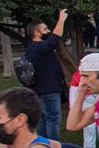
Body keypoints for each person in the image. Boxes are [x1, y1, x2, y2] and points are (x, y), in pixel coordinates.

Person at [22, 9, 69, 138]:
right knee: (52, 119)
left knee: (43, 120)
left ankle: (43, 146)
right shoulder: (38, 47)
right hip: (48, 90)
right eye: (45, 29)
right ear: (37, 33)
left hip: (40, 90)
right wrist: (61, 20)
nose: (48, 31)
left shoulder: (33, 48)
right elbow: (54, 39)